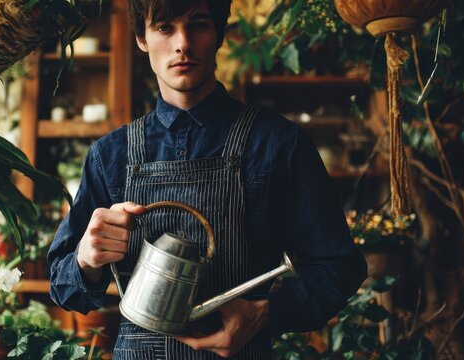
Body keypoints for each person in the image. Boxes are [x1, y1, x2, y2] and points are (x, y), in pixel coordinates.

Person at [48, 0, 367, 358]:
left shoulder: (280, 144)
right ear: (141, 37)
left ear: (218, 34)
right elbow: (64, 287)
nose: (182, 43)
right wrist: (86, 261)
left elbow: (338, 268)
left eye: (198, 24)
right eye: (165, 28)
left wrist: (265, 313)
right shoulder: (110, 155)